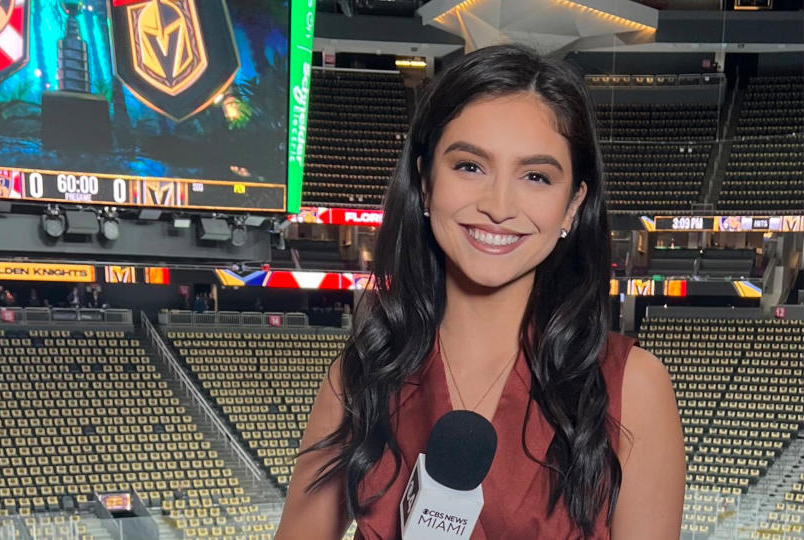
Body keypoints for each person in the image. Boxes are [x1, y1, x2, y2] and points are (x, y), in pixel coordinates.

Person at [276, 44, 684, 540]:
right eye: (470, 166)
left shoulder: (632, 386)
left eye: (536, 176)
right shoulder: (359, 377)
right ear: (425, 182)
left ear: (573, 205)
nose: (498, 206)